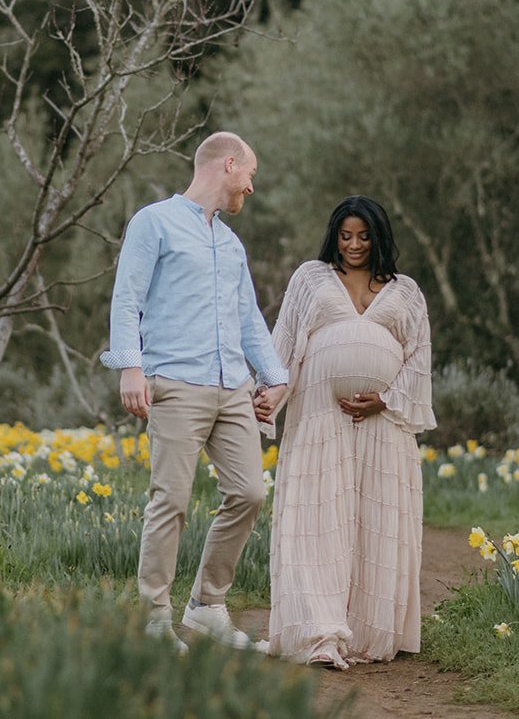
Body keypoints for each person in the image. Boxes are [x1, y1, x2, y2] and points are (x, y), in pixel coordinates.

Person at [102, 131, 289, 653]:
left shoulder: (231, 243)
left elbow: (249, 319)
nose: (250, 187)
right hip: (176, 384)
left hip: (233, 388)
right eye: (249, 174)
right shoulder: (154, 221)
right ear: (229, 164)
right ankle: (155, 619)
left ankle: (207, 606)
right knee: (172, 500)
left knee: (250, 492)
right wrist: (130, 367)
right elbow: (127, 298)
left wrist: (276, 378)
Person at [266, 195, 435, 669]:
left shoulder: (405, 291)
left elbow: (419, 354)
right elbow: (284, 341)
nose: (354, 245)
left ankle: (364, 630)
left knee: (372, 526)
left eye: (363, 236)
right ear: (334, 236)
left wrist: (386, 398)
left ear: (378, 236)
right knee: (317, 524)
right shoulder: (311, 278)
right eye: (345, 235)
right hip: (319, 420)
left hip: (384, 428)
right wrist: (266, 398)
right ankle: (320, 632)